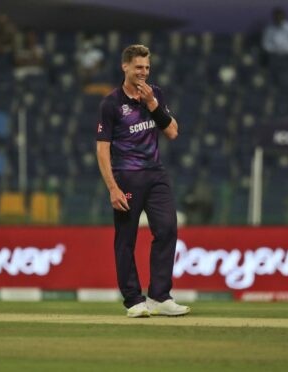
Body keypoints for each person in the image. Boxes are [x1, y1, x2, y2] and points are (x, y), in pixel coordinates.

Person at [96, 44, 190, 318]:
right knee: (126, 239)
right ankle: (134, 300)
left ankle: (160, 296)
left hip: (156, 173)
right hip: (126, 176)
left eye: (147, 67)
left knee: (168, 229)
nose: (144, 73)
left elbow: (172, 131)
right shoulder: (111, 103)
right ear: (124, 67)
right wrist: (113, 188)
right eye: (138, 67)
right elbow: (102, 149)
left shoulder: (155, 94)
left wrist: (152, 104)